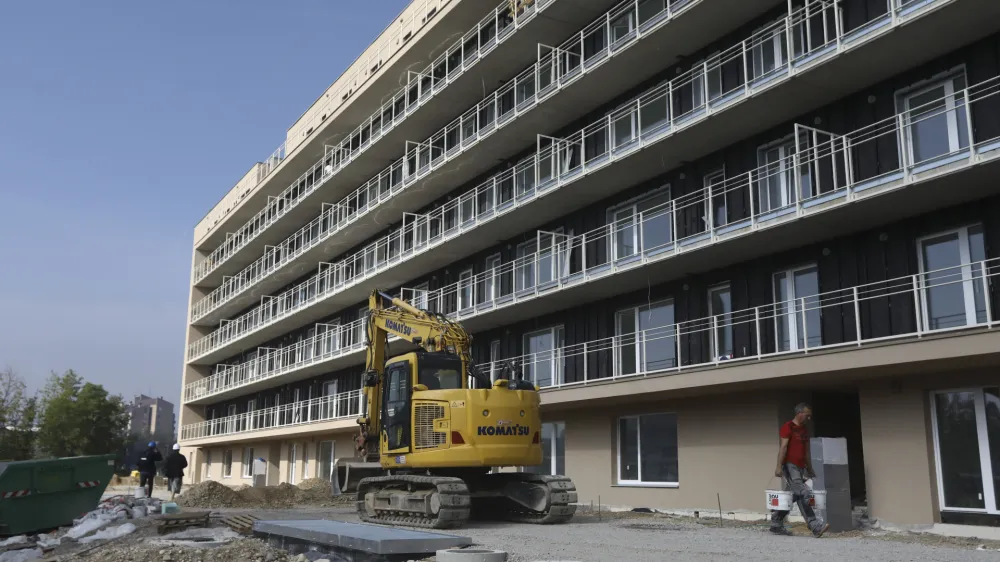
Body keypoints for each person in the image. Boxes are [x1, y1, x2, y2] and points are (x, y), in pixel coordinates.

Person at [771, 403, 829, 537]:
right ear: (799, 413)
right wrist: (779, 466)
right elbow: (783, 448)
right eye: (807, 415)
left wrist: (810, 468)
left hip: (800, 467)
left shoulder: (804, 430)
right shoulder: (788, 427)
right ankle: (815, 526)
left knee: (792, 496)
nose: (809, 418)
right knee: (803, 493)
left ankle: (776, 522)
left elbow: (807, 452)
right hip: (790, 466)